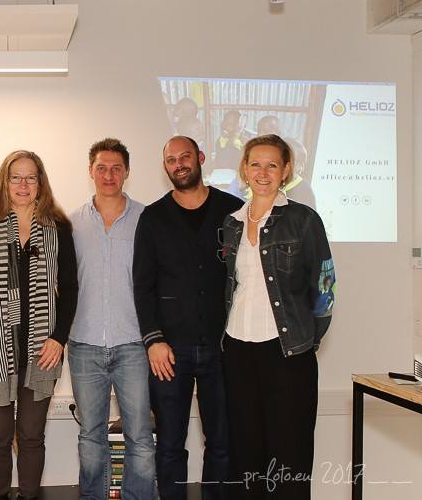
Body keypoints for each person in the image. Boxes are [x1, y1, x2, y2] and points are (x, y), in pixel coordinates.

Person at [221, 134, 335, 499]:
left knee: (290, 454)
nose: (263, 172)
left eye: (272, 165)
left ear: (286, 171)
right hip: (237, 350)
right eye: (255, 164)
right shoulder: (231, 223)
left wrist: (307, 340)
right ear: (244, 170)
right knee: (246, 453)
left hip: (287, 352)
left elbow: (325, 286)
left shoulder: (303, 220)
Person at [0, 150, 78, 500]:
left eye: (31, 177)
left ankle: (29, 496)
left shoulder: (58, 228)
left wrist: (59, 339)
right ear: (5, 182)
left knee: (31, 436)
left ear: (41, 183)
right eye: (16, 177)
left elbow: (70, 288)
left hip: (43, 350)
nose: (23, 184)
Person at [133, 136, 242, 500]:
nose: (179, 164)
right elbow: (142, 285)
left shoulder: (233, 211)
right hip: (169, 351)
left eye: (185, 157)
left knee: (223, 443)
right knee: (169, 445)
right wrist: (153, 340)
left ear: (201, 158)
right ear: (165, 167)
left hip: (223, 347)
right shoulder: (153, 218)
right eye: (171, 160)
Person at [69, 138, 156, 500]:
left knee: (140, 436)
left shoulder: (147, 219)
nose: (109, 175)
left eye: (116, 168)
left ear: (127, 172)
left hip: (134, 344)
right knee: (91, 437)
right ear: (90, 171)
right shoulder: (71, 223)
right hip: (84, 344)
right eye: (101, 168)